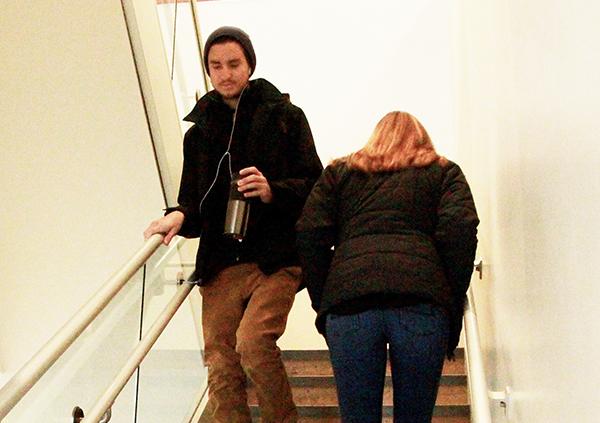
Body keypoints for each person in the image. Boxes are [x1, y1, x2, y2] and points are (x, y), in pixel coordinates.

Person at [144, 26, 323, 423]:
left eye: (233, 64)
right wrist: (178, 215)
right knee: (220, 360)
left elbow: (315, 183)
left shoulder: (286, 118)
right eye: (215, 66)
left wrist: (272, 189)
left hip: (275, 259)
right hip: (221, 260)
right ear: (208, 70)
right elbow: (194, 202)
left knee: (254, 344)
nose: (225, 73)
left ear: (250, 64)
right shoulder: (199, 133)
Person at [295, 111, 479, 423]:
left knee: (357, 418)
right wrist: (448, 294)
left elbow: (309, 232)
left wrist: (326, 297)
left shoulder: (339, 173)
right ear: (424, 141)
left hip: (350, 305)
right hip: (421, 304)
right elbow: (460, 227)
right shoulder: (444, 171)